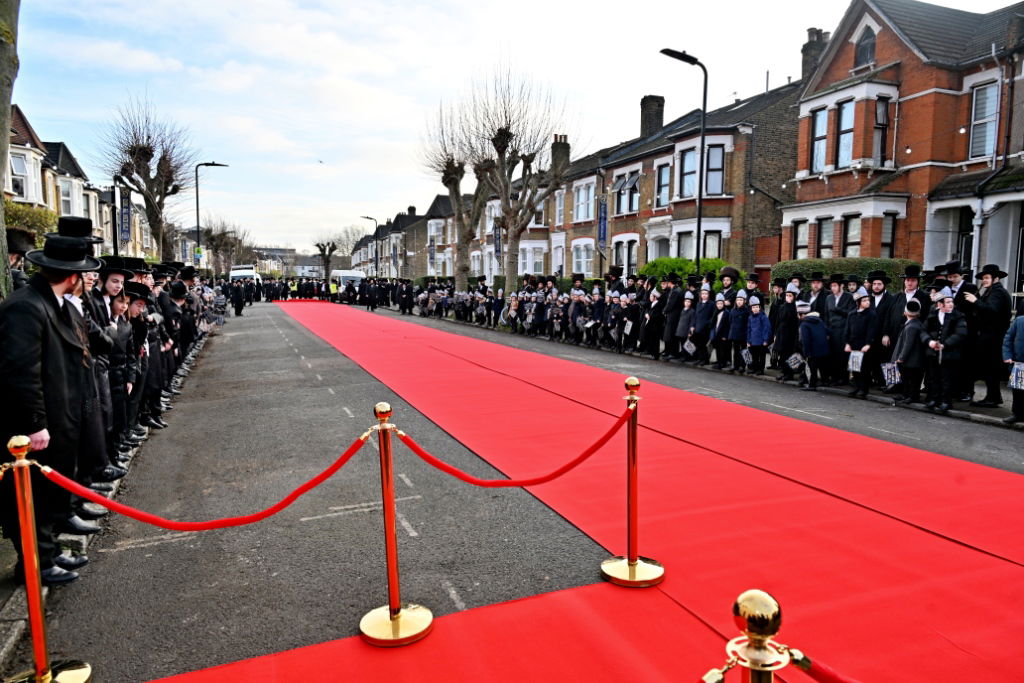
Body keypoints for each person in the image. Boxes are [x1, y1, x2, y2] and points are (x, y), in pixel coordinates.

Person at [0, 235, 103, 585]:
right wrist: (35, 423)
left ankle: (48, 550)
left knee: (48, 495)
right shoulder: (27, 306)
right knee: (31, 498)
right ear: (71, 276)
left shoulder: (53, 303)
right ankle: (34, 563)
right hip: (36, 426)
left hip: (61, 416)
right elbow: (20, 372)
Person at [962, 264, 1012, 407]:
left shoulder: (997, 293)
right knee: (989, 367)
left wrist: (975, 301)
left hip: (994, 337)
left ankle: (993, 397)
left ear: (995, 278)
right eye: (983, 278)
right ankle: (993, 396)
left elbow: (992, 311)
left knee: (991, 367)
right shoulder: (991, 291)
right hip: (990, 336)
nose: (983, 281)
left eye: (986, 278)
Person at [923, 288, 968, 414]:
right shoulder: (933, 315)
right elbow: (923, 331)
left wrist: (945, 344)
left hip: (949, 353)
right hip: (933, 352)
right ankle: (934, 399)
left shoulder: (958, 316)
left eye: (951, 301)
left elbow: (961, 333)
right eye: (947, 302)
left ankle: (946, 401)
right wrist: (929, 341)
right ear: (939, 304)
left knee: (946, 378)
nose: (950, 304)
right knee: (933, 377)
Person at [890, 299, 927, 405]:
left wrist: (901, 357)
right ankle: (906, 395)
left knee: (912, 379)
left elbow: (908, 344)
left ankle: (912, 396)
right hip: (912, 359)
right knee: (908, 378)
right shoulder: (914, 324)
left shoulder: (911, 326)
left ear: (905, 312)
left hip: (912, 360)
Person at [844, 287, 878, 398]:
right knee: (854, 368)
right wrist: (847, 343)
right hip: (854, 344)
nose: (867, 302)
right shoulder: (852, 314)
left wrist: (868, 344)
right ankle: (856, 387)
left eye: (868, 300)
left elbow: (871, 331)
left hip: (864, 345)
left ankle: (864, 389)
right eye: (864, 300)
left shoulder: (871, 315)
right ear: (858, 302)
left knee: (864, 369)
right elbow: (848, 329)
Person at [797, 300, 830, 391]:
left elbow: (806, 340)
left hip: (813, 350)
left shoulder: (804, 324)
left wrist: (807, 353)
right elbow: (827, 331)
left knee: (813, 368)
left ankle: (812, 385)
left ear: (802, 315)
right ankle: (825, 381)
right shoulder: (819, 320)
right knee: (822, 366)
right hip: (824, 349)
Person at [1001, 312, 1024, 424]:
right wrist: (1008, 355)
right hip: (1019, 362)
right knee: (1018, 391)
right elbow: (1008, 339)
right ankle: (1017, 414)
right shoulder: (1019, 321)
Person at [745, 295, 771, 375]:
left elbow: (767, 329)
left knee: (761, 356)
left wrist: (765, 340)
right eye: (753, 307)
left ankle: (761, 370)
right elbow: (749, 330)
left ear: (759, 307)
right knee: (754, 356)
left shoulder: (763, 317)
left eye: (756, 307)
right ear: (751, 309)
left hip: (761, 341)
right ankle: (755, 368)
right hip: (753, 341)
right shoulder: (750, 318)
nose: (755, 309)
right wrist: (748, 340)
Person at [727, 290, 750, 374]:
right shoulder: (733, 311)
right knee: (736, 351)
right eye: (738, 300)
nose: (739, 302)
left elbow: (748, 324)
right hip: (735, 334)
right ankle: (735, 365)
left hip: (743, 335)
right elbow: (730, 322)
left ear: (744, 301)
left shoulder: (747, 311)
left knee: (743, 351)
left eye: (741, 300)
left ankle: (742, 366)